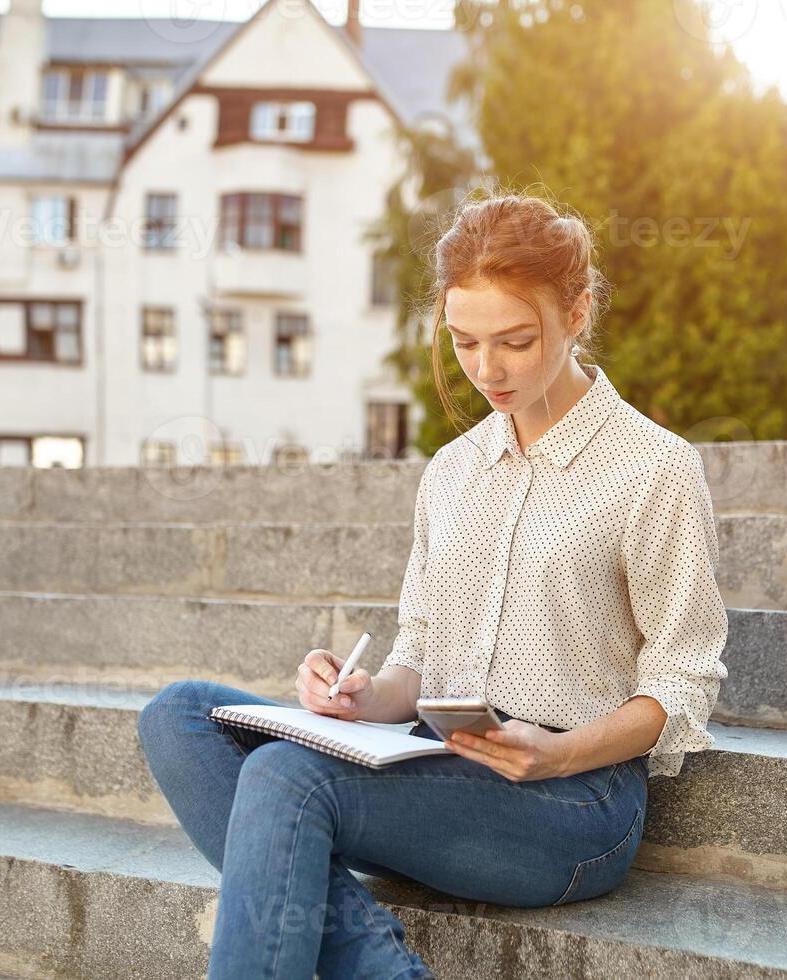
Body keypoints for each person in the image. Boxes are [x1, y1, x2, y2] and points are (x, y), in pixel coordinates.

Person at [137, 190, 731, 978]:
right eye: (465, 342)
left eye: (517, 341)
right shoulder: (452, 472)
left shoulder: (653, 467)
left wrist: (557, 755)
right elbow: (419, 657)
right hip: (431, 762)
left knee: (285, 777)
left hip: (574, 803)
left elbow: (683, 678)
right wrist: (358, 697)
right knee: (176, 715)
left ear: (578, 312)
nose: (488, 370)